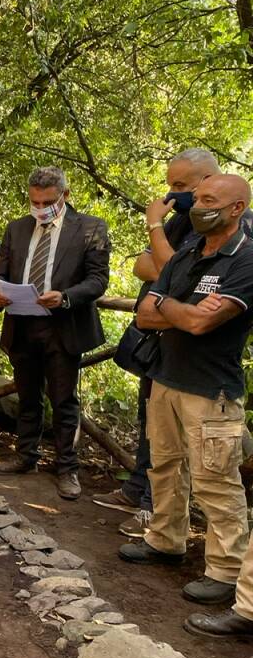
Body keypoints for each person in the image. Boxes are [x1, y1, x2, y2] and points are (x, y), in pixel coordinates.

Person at [119, 174, 253, 606]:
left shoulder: (246, 259)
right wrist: (181, 310)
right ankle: (165, 540)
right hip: (166, 377)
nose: (197, 206)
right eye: (196, 199)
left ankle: (226, 570)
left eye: (209, 200)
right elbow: (144, 313)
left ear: (237, 208)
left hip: (210, 390)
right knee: (164, 465)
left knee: (215, 481)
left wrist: (172, 309)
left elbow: (201, 323)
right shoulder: (189, 251)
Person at [94, 149, 225, 537]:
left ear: (206, 181)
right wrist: (166, 263)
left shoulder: (226, 223)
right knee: (150, 422)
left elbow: (173, 271)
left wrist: (154, 225)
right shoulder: (182, 221)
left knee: (176, 441)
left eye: (180, 186)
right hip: (156, 342)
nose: (173, 194)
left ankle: (158, 512)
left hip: (193, 354)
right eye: (171, 185)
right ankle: (138, 489)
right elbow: (141, 264)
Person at [0, 167, 110, 501]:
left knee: (63, 400)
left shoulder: (90, 228)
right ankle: (25, 456)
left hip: (63, 326)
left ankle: (67, 468)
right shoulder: (17, 228)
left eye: (47, 201)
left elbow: (99, 280)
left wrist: (66, 296)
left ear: (65, 196)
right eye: (34, 201)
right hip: (22, 322)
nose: (40, 208)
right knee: (27, 396)